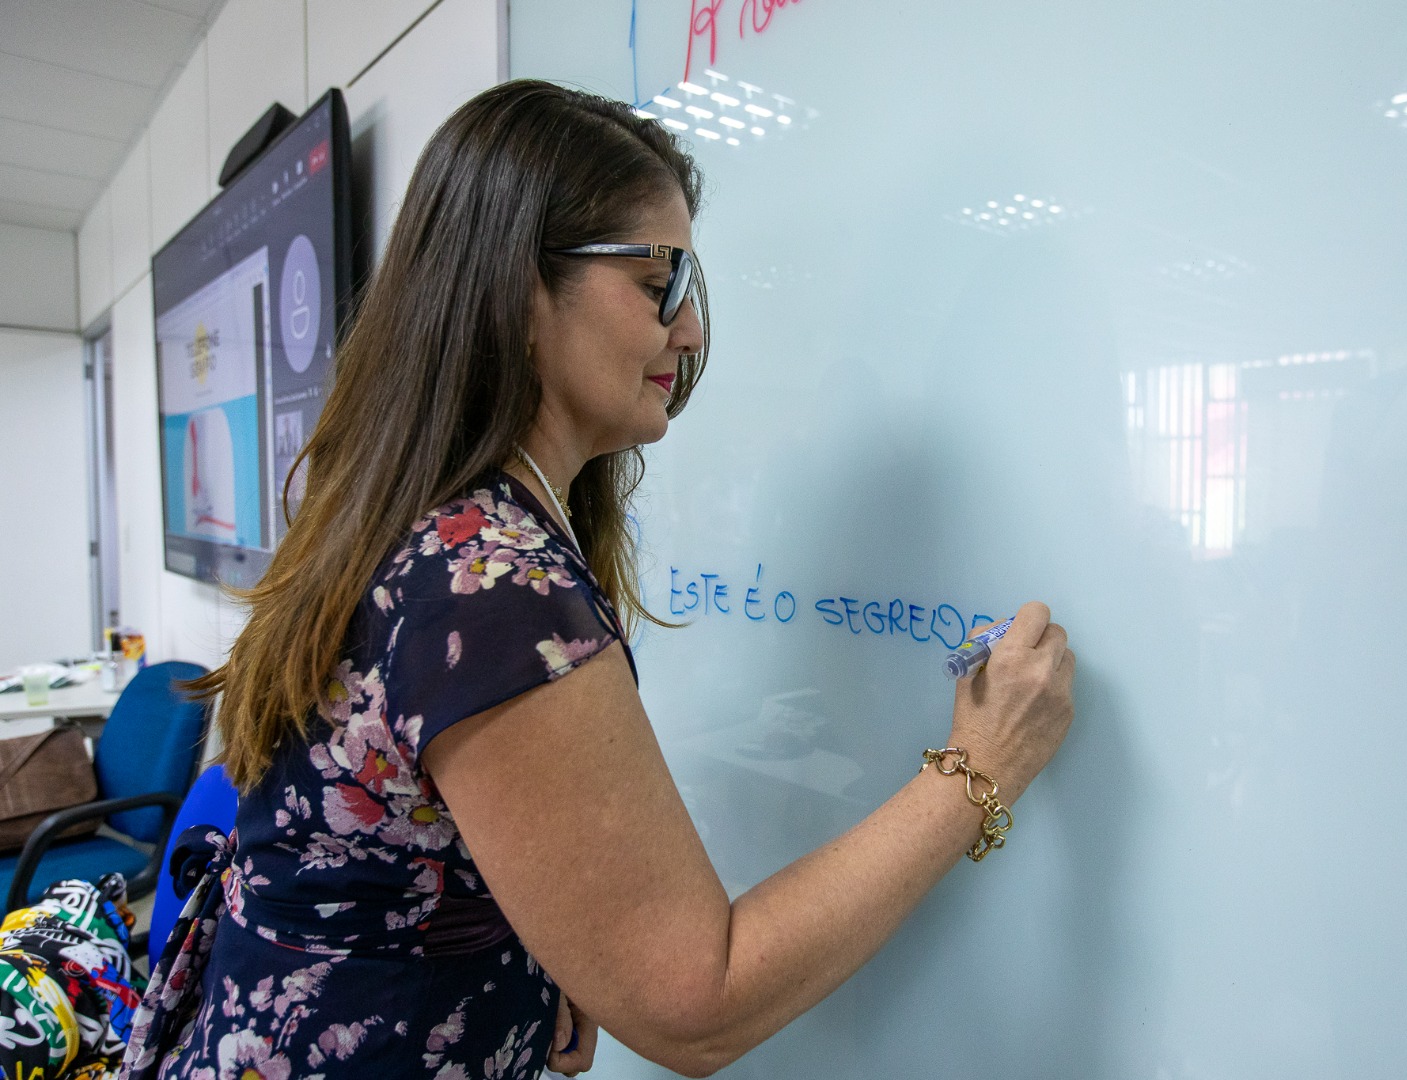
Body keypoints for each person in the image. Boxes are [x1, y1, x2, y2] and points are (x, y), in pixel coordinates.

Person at [118, 80, 1075, 1080]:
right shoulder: (489, 586)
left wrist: (544, 941)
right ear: (519, 285)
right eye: (658, 280)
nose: (690, 330)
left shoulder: (424, 517)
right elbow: (699, 1002)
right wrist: (985, 762)